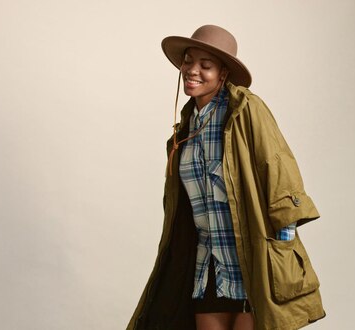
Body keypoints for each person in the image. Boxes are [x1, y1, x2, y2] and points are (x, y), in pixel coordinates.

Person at [128, 25, 325, 330]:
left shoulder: (246, 109)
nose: (192, 70)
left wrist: (282, 245)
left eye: (205, 65)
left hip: (252, 260)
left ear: (223, 73)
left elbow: (277, 166)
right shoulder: (183, 132)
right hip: (208, 266)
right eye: (189, 61)